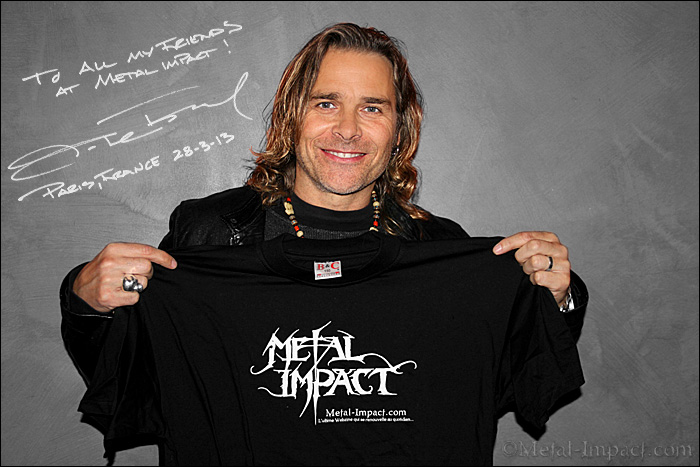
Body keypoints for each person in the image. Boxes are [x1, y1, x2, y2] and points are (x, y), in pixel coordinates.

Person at [61, 22, 587, 464]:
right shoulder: (211, 232)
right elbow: (142, 381)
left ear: (399, 129)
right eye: (327, 103)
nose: (348, 129)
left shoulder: (438, 247)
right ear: (293, 115)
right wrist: (86, 304)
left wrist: (553, 299)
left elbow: (503, 380)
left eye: (373, 108)